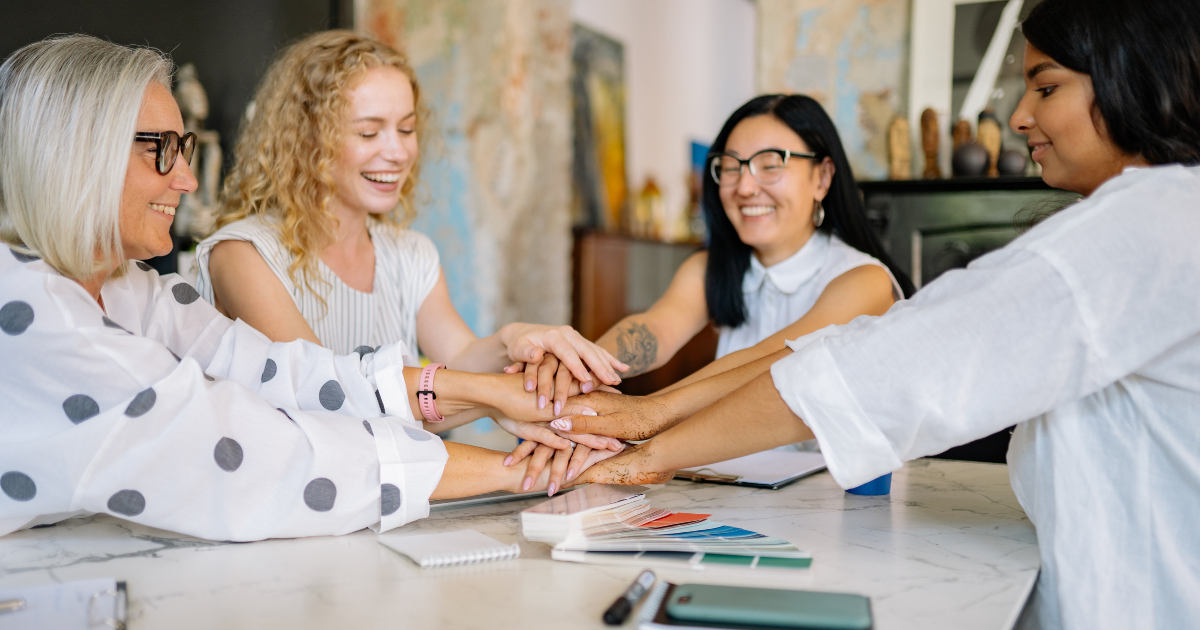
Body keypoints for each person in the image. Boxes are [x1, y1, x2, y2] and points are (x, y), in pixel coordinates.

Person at [572, 0, 1200, 627]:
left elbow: (848, 370)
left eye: (1046, 86)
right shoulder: (712, 269)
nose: (1018, 116)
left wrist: (647, 434)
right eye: (730, 168)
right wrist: (577, 376)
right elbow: (647, 334)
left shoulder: (1142, 229)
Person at [0, 35, 613, 542]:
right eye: (161, 150)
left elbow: (290, 373)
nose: (186, 179)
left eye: (183, 148)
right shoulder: (33, 311)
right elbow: (257, 448)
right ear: (75, 155)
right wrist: (517, 467)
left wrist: (501, 386)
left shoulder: (136, 291)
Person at [193, 31, 623, 482]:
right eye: (368, 131)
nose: (397, 152)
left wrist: (516, 341)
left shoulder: (412, 255)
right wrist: (495, 398)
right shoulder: (242, 255)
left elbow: (458, 356)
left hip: (387, 511)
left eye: (406, 128)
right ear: (305, 139)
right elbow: (328, 398)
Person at [592, 94, 912, 395]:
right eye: (731, 167)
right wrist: (583, 367)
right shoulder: (711, 266)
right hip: (732, 456)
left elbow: (762, 364)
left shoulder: (864, 280)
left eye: (770, 165)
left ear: (822, 178)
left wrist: (635, 416)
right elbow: (656, 329)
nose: (744, 187)